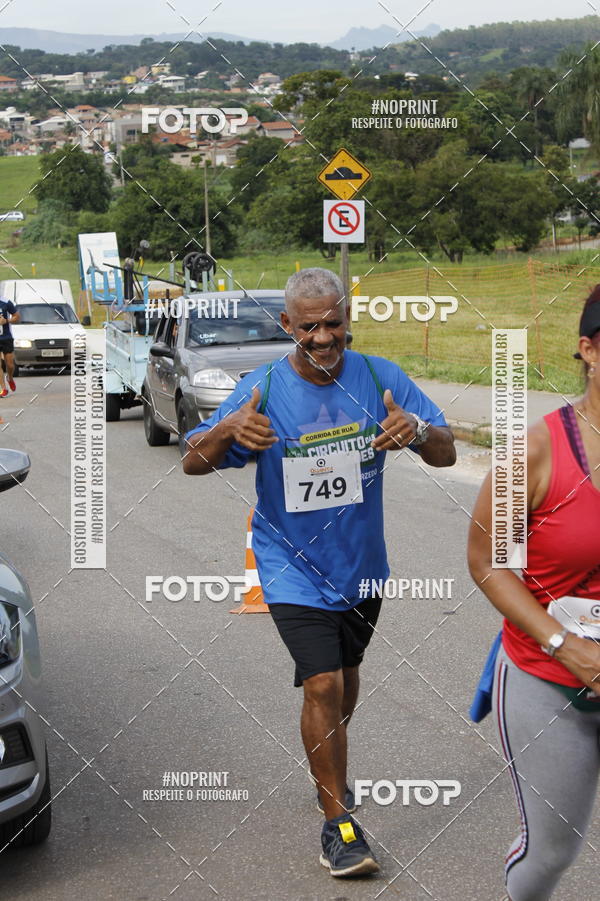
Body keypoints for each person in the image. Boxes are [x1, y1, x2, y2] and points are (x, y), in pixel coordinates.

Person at [183, 267, 456, 877]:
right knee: (323, 684)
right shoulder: (262, 387)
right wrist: (228, 429)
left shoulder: (381, 377)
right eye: (309, 327)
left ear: (347, 317)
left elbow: (448, 451)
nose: (324, 337)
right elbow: (192, 462)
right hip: (288, 564)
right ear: (288, 326)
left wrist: (416, 430)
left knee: (346, 681)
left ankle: (327, 764)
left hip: (360, 564)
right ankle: (340, 826)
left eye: (334, 323)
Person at [467, 287, 600, 901]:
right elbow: (487, 563)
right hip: (548, 679)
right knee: (551, 852)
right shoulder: (535, 450)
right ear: (588, 349)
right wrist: (564, 645)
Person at [0, 295, 20, 397]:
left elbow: (17, 316)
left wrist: (6, 321)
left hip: (6, 337)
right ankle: (3, 389)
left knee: (10, 365)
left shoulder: (5, 302)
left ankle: (10, 378)